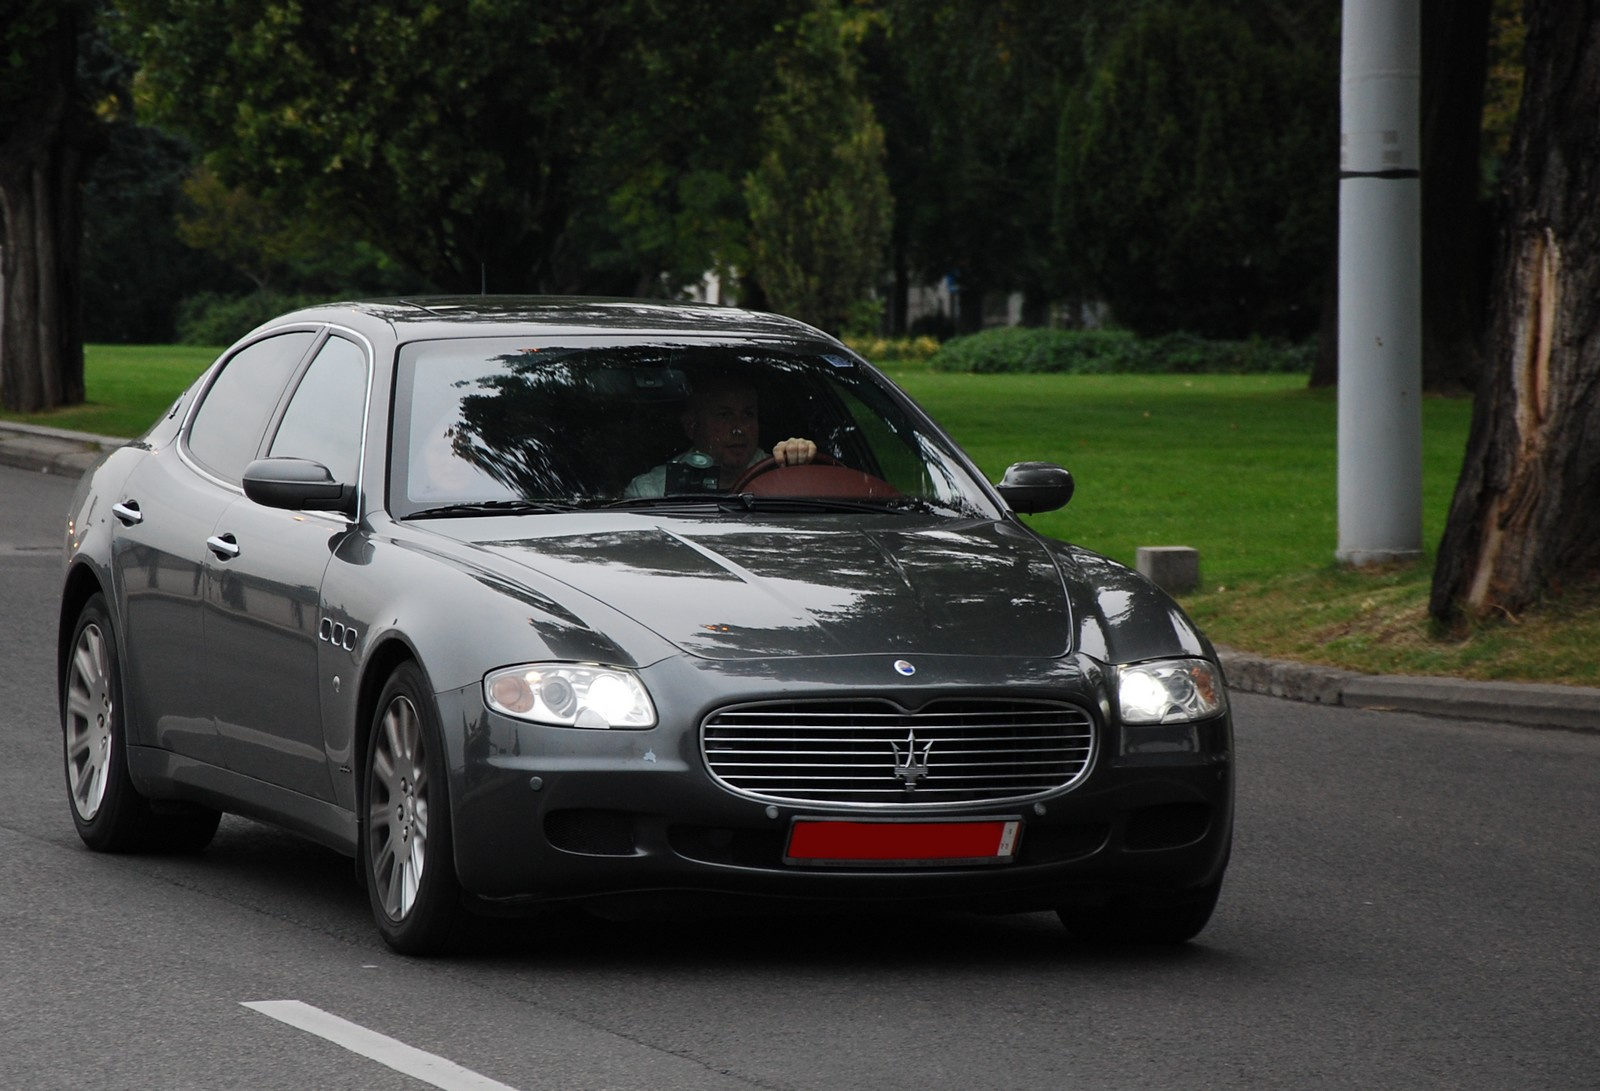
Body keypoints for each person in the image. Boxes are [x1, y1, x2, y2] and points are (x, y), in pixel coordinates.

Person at [623, 377, 817, 497]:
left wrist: (801, 463)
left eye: (748, 414)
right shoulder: (653, 492)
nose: (739, 429)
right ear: (692, 426)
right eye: (725, 415)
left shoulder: (783, 476)